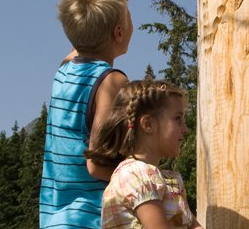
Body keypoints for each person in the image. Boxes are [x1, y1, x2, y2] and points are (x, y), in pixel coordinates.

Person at [40, 0, 133, 228]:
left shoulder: (64, 71)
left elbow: (80, 39)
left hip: (56, 219)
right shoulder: (112, 81)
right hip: (93, 218)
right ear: (119, 32)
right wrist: (143, 173)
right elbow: (97, 163)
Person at [86, 80, 201, 229]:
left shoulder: (169, 180)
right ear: (148, 124)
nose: (185, 128)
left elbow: (193, 225)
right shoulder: (136, 174)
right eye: (178, 119)